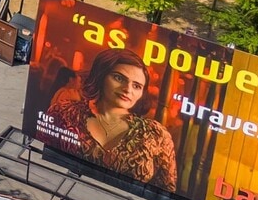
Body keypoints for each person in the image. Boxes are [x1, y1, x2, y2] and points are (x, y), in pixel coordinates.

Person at [41, 46, 178, 189]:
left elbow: (166, 193)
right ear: (101, 76)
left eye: (137, 86)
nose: (128, 89)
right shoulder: (63, 111)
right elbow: (42, 157)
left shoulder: (156, 134)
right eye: (119, 78)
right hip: (59, 188)